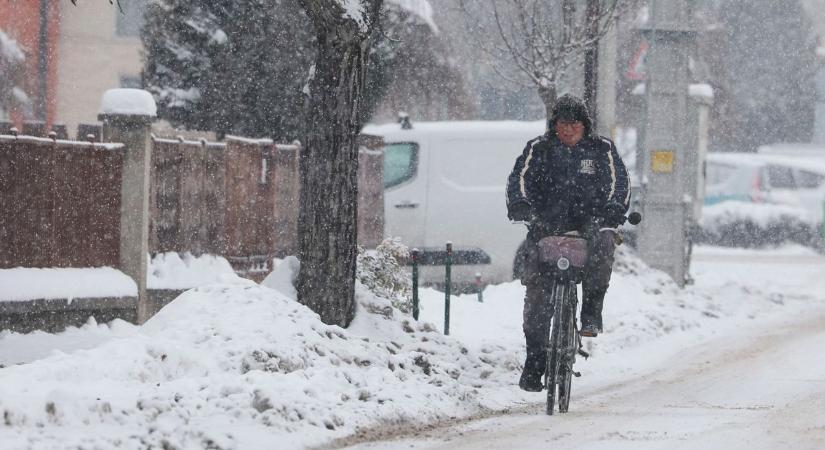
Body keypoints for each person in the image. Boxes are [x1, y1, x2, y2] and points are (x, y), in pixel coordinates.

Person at [505, 94, 630, 392]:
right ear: (554, 125)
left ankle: (590, 313)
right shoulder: (539, 149)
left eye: (575, 124)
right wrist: (521, 206)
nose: (569, 130)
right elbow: (518, 180)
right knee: (536, 299)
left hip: (591, 225)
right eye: (563, 124)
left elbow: (619, 185)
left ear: (585, 126)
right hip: (546, 226)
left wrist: (612, 212)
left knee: (604, 246)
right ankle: (534, 364)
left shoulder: (603, 150)